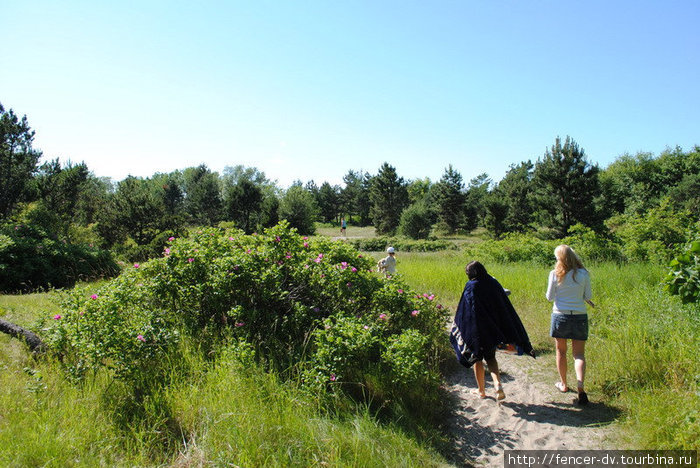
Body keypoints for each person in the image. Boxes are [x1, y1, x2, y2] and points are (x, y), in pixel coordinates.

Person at [450, 261, 535, 400]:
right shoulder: (493, 283)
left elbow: (465, 310)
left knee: (477, 359)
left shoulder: (471, 286)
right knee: (491, 358)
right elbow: (503, 307)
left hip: (476, 330)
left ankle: (481, 391)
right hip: (492, 329)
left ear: (471, 274)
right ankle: (497, 385)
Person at [546, 244, 595, 406]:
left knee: (561, 351)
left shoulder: (554, 274)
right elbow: (587, 295)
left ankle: (564, 384)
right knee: (579, 354)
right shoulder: (583, 274)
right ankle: (580, 384)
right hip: (579, 315)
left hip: (560, 315)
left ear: (559, 259)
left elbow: (549, 297)